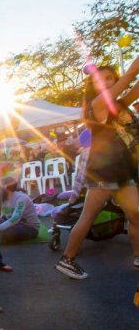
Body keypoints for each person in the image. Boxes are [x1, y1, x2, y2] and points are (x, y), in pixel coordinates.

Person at [56, 58, 139, 279]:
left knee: (136, 214)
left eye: (110, 78)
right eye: (100, 80)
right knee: (88, 216)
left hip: (122, 169)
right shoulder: (98, 105)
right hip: (104, 170)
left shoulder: (118, 104)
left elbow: (134, 87)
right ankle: (67, 259)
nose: (106, 82)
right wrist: (133, 68)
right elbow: (131, 75)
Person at [0, 177, 40, 271]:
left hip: (29, 227)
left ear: (6, 188)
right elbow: (0, 216)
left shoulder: (21, 198)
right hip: (13, 224)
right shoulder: (3, 198)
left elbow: (15, 219)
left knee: (2, 232)